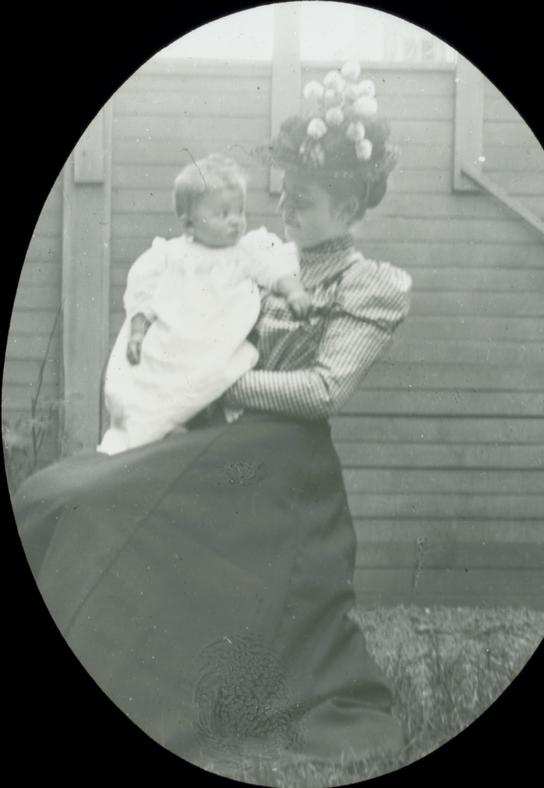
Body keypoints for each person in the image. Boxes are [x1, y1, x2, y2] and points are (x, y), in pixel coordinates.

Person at [13, 62, 412, 775]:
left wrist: (217, 383)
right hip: (217, 439)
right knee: (55, 491)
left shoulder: (369, 285)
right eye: (283, 194)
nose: (283, 210)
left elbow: (326, 390)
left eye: (304, 201)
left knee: (99, 507)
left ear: (350, 207)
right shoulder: (255, 256)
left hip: (282, 466)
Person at [99, 153, 310, 455]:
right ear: (189, 224)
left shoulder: (245, 252)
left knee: (206, 377)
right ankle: (153, 430)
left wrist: (294, 291)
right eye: (223, 214)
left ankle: (184, 427)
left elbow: (273, 273)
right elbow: (143, 293)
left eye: (240, 211)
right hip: (174, 333)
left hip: (216, 337)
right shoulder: (170, 255)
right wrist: (137, 332)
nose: (236, 220)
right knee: (149, 375)